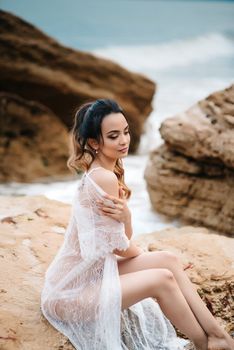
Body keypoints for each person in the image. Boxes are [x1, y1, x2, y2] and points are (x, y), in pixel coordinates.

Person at [41, 98, 234, 350]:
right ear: (94, 143)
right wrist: (138, 249)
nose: (124, 140)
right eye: (113, 136)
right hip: (72, 293)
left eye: (126, 131)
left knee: (168, 260)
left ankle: (217, 335)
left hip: (89, 277)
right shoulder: (104, 178)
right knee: (162, 277)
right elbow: (120, 247)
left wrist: (127, 219)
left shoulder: (102, 172)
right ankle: (203, 344)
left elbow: (118, 239)